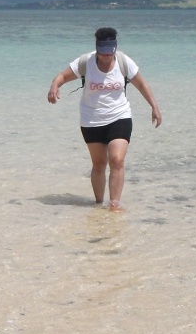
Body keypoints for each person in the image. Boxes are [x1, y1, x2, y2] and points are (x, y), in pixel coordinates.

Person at [47, 27, 162, 211]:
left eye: (110, 51)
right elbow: (62, 76)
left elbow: (141, 84)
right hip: (91, 119)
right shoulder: (86, 62)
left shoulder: (124, 62)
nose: (106, 55)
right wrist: (54, 86)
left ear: (115, 48)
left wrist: (154, 107)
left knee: (116, 159)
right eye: (103, 52)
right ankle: (98, 204)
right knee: (99, 164)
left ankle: (115, 204)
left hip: (119, 116)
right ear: (97, 48)